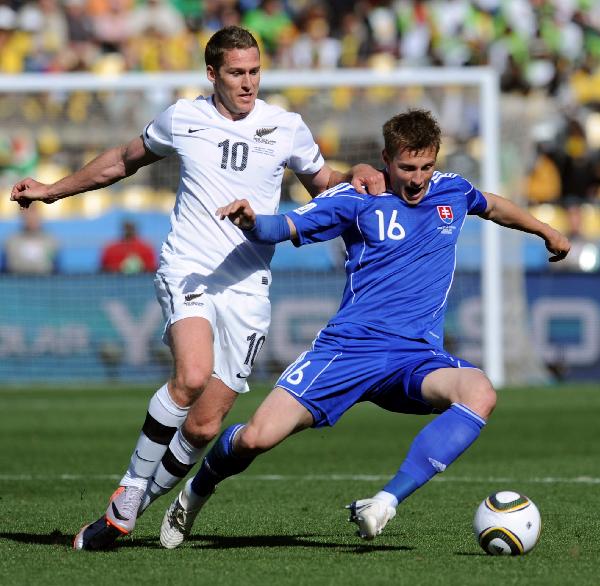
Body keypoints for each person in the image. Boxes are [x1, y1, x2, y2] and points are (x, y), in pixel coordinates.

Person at [10, 25, 384, 550]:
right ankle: (128, 493)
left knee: (206, 427)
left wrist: (357, 173)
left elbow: (322, 183)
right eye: (236, 72)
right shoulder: (184, 117)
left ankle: (126, 514)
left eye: (254, 71)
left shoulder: (286, 125)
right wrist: (52, 191)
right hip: (189, 268)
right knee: (189, 375)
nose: (248, 82)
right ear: (212, 73)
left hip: (249, 285)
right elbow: (121, 160)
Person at [158, 109, 571, 548]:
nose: (417, 179)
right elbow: (286, 225)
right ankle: (197, 490)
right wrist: (251, 221)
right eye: (407, 168)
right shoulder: (357, 200)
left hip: (415, 357)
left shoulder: (453, 192)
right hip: (348, 351)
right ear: (385, 159)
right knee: (258, 437)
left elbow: (492, 205)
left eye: (426, 167)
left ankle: (386, 502)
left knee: (480, 392)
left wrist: (545, 230)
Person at [3, 204, 59, 274]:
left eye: (33, 215)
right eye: (27, 216)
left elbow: (55, 266)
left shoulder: (50, 240)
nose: (31, 219)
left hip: (43, 281)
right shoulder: (12, 240)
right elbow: (7, 267)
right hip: (18, 281)